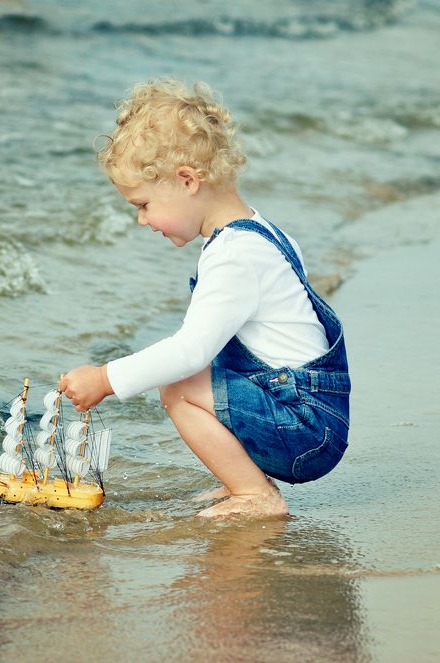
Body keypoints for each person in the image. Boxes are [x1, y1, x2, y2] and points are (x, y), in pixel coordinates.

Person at [58, 79, 350, 517]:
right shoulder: (262, 232)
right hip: (310, 415)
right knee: (213, 366)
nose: (141, 220)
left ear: (187, 180)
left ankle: (255, 494)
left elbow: (189, 351)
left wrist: (105, 378)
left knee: (179, 383)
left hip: (304, 430)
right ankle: (247, 480)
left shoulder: (234, 255)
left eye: (143, 204)